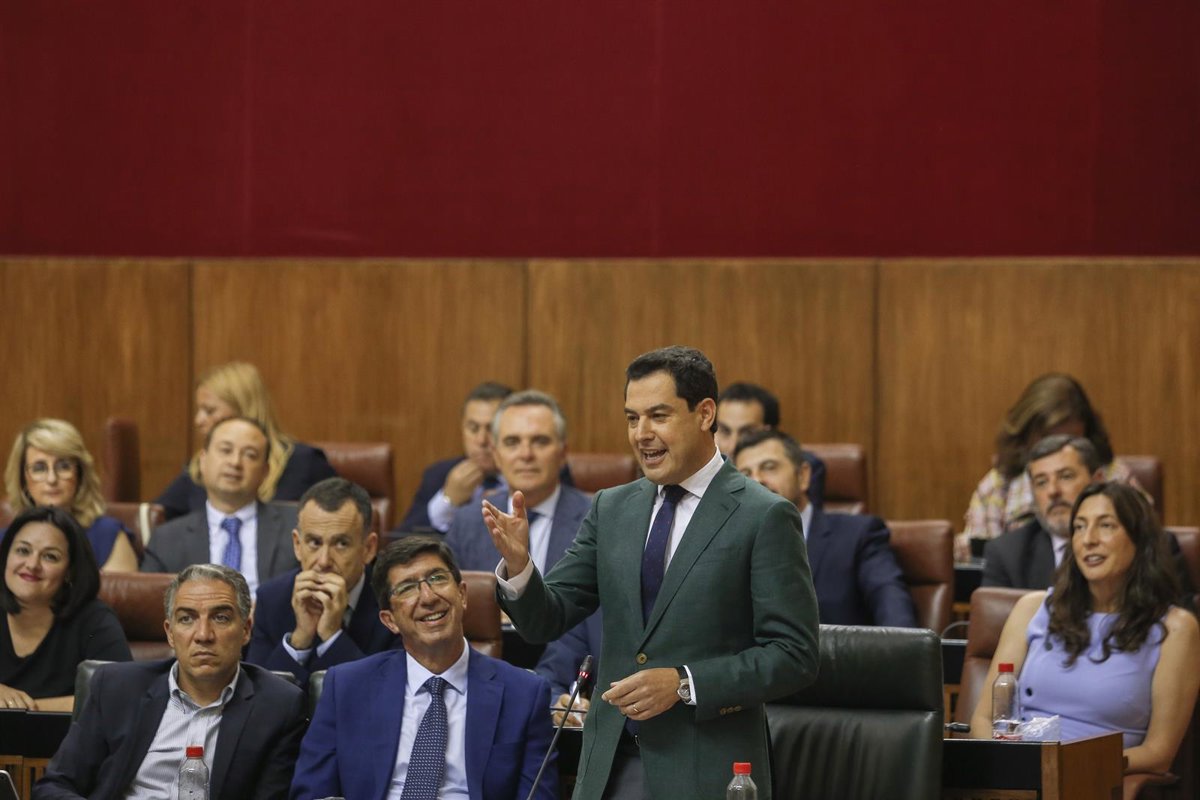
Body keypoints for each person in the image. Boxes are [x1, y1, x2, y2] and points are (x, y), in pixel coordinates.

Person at [484, 345, 819, 799]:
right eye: (632, 418)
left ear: (705, 414)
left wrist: (684, 683)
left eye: (658, 416)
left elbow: (795, 655)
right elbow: (547, 618)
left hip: (706, 766)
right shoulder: (611, 507)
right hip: (608, 764)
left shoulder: (763, 516)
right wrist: (520, 565)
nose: (642, 434)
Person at [290, 537, 557, 800]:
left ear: (462, 595)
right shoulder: (346, 687)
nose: (428, 597)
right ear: (390, 620)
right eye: (407, 588)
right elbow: (310, 792)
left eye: (437, 578)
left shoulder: (524, 694)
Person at [970, 483, 1200, 773]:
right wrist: (1010, 768)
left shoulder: (1175, 629)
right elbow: (982, 720)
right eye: (1079, 527)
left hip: (1096, 779)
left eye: (1106, 525)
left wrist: (1071, 768)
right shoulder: (1032, 609)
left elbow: (1159, 753)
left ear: (1139, 539)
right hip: (1018, 772)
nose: (1088, 539)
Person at [34, 564, 307, 800]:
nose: (203, 635)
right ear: (170, 634)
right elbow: (54, 786)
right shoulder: (116, 688)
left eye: (220, 618)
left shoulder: (278, 706)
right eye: (187, 619)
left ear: (245, 630)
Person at [734, 428, 917, 627]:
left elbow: (894, 612)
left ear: (803, 476)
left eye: (769, 467)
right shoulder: (730, 545)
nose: (757, 480)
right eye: (745, 474)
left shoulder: (858, 536)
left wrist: (903, 645)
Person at [983, 435, 1196, 600]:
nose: (1053, 491)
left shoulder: (1152, 543)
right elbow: (998, 639)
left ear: (1098, 480)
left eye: (1066, 476)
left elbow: (1183, 630)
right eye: (1041, 482)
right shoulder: (1007, 554)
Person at [961, 373, 1136, 559]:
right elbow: (983, 560)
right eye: (1047, 441)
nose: (1057, 451)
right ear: (1026, 435)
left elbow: (1145, 547)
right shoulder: (996, 486)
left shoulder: (1117, 478)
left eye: (1069, 440)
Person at [248, 477, 398, 684]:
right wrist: (300, 639)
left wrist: (332, 636)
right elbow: (257, 695)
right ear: (297, 545)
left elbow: (384, 692)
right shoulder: (271, 599)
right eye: (314, 542)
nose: (324, 561)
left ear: (369, 548)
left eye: (341, 544)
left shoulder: (395, 603)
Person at [155, 361, 337, 521]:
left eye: (210, 411)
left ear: (243, 410)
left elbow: (343, 517)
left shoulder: (304, 463)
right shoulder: (200, 467)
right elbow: (156, 517)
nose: (198, 420)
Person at [143, 417, 299, 594]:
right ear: (202, 461)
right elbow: (149, 601)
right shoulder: (167, 539)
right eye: (226, 450)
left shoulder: (295, 527)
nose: (235, 462)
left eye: (250, 455)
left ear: (265, 471)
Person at [1, 506, 130, 712]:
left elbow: (121, 696)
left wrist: (22, 708)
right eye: (23, 551)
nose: (32, 564)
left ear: (70, 571)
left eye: (50, 557)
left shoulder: (94, 620)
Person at [446, 390, 590, 572]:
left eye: (540, 441)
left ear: (562, 453)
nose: (526, 454)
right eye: (512, 442)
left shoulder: (595, 520)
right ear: (496, 455)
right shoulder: (467, 522)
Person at [4, 419, 138, 572]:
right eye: (39, 468)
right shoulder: (6, 542)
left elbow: (120, 588)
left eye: (63, 466)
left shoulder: (107, 536)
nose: (52, 479)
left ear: (80, 475)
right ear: (23, 480)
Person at [395, 381, 513, 533]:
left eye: (491, 429)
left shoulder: (529, 478)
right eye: (473, 428)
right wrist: (447, 502)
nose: (481, 440)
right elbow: (401, 539)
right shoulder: (438, 475)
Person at [713, 381, 826, 506]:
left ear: (769, 432)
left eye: (748, 432)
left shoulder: (803, 466)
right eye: (725, 431)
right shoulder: (708, 467)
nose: (733, 445)